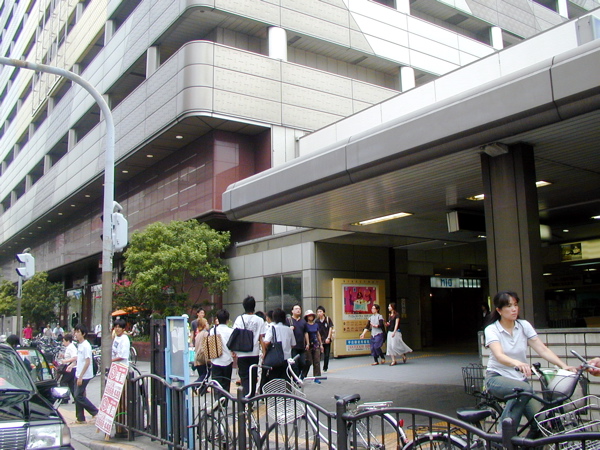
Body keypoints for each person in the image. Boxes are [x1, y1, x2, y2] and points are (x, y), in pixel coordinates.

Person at [484, 291, 575, 430]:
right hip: (497, 378)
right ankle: (503, 433)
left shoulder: (523, 325)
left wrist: (563, 365)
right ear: (499, 310)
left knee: (542, 423)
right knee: (523, 389)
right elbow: (499, 355)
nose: (514, 309)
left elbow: (542, 349)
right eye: (509, 306)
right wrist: (518, 363)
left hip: (520, 381)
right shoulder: (492, 329)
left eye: (515, 305)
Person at [232, 296, 266, 396]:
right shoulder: (260, 320)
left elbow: (235, 335)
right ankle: (250, 397)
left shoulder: (239, 319)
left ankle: (245, 398)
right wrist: (264, 352)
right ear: (254, 306)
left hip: (242, 353)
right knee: (253, 376)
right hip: (254, 353)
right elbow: (261, 338)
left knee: (244, 377)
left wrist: (233, 350)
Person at [70, 324, 98, 424]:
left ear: (83, 334)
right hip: (78, 373)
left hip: (84, 375)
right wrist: (72, 365)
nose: (76, 334)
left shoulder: (86, 345)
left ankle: (95, 412)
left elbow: (87, 362)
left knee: (78, 396)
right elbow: (80, 360)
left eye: (78, 332)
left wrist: (81, 376)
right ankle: (80, 418)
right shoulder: (80, 345)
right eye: (75, 332)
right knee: (77, 396)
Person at [262, 308, 296, 382]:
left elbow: (266, 342)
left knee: (274, 380)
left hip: (275, 359)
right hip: (287, 359)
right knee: (286, 379)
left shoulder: (272, 328)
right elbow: (293, 344)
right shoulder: (289, 329)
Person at [211, 310, 234, 394]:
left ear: (217, 319)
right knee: (226, 384)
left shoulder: (213, 330)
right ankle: (225, 400)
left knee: (216, 384)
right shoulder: (231, 331)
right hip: (227, 360)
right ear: (227, 320)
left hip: (216, 360)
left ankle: (217, 400)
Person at [288, 304, 308, 378]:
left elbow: (306, 332)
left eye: (299, 309)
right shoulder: (288, 321)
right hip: (293, 347)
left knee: (303, 363)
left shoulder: (303, 321)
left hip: (301, 346)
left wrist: (307, 343)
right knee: (294, 364)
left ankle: (298, 377)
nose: (298, 310)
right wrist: (289, 329)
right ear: (292, 311)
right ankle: (296, 380)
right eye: (296, 309)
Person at [304, 310, 323, 377]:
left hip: (316, 344)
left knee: (317, 361)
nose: (311, 317)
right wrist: (307, 343)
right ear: (306, 317)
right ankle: (303, 375)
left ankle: (317, 377)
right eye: (309, 316)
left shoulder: (316, 325)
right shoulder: (305, 325)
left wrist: (321, 344)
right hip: (308, 345)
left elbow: (318, 334)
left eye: (312, 315)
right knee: (308, 361)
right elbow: (306, 334)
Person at [60, 333, 77, 402]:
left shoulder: (71, 347)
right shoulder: (70, 347)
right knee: (71, 384)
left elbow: (75, 357)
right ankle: (76, 398)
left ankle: (65, 398)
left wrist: (65, 361)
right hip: (72, 367)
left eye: (64, 341)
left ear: (68, 341)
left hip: (70, 367)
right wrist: (64, 356)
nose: (63, 343)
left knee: (63, 382)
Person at [316, 306, 334, 373]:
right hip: (320, 340)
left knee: (326, 354)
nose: (319, 313)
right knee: (319, 354)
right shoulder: (316, 321)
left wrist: (328, 337)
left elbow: (330, 328)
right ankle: (318, 368)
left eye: (320, 311)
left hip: (327, 339)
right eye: (318, 312)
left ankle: (325, 367)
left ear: (323, 312)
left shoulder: (327, 319)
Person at [193, 317, 209, 382]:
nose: (208, 324)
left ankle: (200, 387)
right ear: (204, 325)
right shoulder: (205, 334)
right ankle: (195, 385)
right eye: (207, 323)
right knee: (205, 375)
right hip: (203, 358)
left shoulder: (198, 334)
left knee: (201, 375)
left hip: (197, 358)